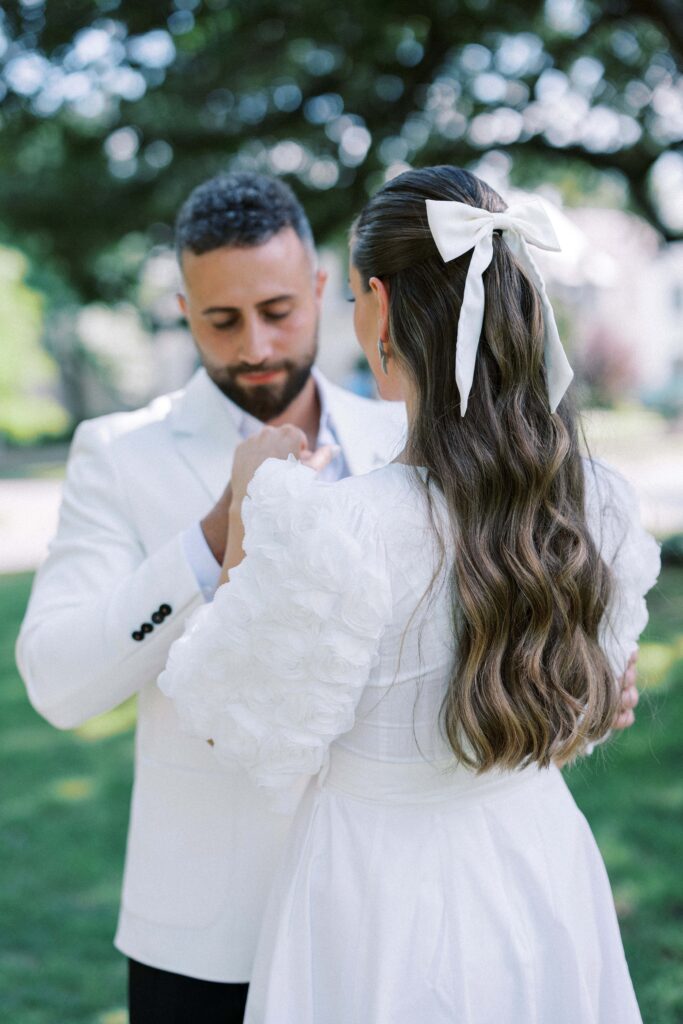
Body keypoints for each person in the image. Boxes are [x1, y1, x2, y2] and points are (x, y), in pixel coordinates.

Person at [159, 165, 660, 1023]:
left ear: (379, 309)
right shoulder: (597, 502)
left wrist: (250, 506)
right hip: (538, 861)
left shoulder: (337, 529)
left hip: (376, 891)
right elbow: (593, 700)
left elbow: (232, 719)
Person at [16, 172, 406, 1023]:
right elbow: (56, 683)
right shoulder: (118, 455)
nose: (257, 346)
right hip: (207, 935)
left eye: (278, 311)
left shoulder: (405, 433)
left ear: (320, 290)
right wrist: (212, 531)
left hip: (385, 912)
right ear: (186, 310)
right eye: (222, 321)